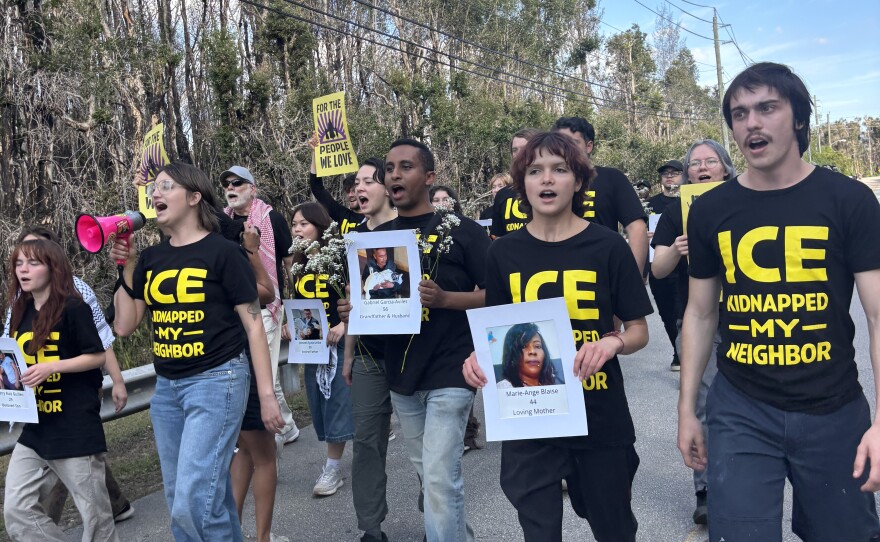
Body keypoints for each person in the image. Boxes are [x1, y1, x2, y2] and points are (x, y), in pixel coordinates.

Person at [677, 62, 880, 541]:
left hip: (834, 408)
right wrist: (688, 408)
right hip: (741, 406)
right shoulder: (710, 209)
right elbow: (701, 312)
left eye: (767, 107)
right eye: (739, 113)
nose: (752, 122)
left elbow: (877, 314)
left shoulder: (849, 200)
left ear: (799, 119)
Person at [463, 131, 652, 542]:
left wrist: (612, 342)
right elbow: (496, 331)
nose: (546, 180)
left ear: (578, 180)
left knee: (614, 528)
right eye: (535, 171)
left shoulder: (608, 247)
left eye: (559, 169)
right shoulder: (502, 253)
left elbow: (639, 331)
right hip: (529, 421)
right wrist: (477, 357)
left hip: (599, 415)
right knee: (540, 532)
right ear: (522, 183)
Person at [110, 162, 283, 541]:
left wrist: (267, 397)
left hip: (217, 381)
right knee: (195, 499)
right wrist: (125, 266)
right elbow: (125, 324)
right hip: (168, 390)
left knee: (192, 502)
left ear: (193, 197)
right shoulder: (153, 259)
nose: (155, 195)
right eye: (154, 189)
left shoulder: (224, 253)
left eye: (166, 187)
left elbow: (254, 323)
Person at [341, 138, 490, 542]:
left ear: (429, 177)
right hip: (402, 376)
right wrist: (354, 313)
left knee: (440, 478)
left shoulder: (461, 231)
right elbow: (376, 309)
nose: (393, 175)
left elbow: (498, 294)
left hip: (451, 370)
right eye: (388, 168)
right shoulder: (376, 240)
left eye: (404, 167)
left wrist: (446, 299)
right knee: (432, 476)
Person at [2, 225, 134, 524]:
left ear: (53, 262)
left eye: (33, 261)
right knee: (17, 511)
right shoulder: (18, 307)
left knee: (96, 519)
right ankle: (118, 504)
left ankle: (115, 505)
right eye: (19, 262)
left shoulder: (75, 301)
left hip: (74, 420)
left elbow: (101, 346)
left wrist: (118, 381)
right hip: (37, 425)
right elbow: (10, 356)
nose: (23, 269)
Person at [652, 140, 736, 524]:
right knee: (702, 404)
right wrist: (676, 247)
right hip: (699, 318)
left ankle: (742, 477)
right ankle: (706, 489)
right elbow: (657, 269)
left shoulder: (746, 198)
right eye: (695, 164)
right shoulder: (675, 211)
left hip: (747, 317)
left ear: (725, 167)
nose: (702, 168)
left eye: (710, 162)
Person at [221, 165, 302, 451]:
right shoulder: (221, 222)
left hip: (266, 306)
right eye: (227, 184)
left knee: (263, 373)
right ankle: (288, 426)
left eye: (238, 183)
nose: (231, 187)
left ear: (252, 189)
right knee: (259, 374)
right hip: (234, 311)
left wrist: (292, 310)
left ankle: (275, 435)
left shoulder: (272, 219)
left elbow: (290, 264)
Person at [341, 157, 398, 542]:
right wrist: (347, 354)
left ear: (387, 187)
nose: (359, 188)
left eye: (367, 181)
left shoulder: (411, 229)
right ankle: (371, 527)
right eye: (356, 183)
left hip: (413, 353)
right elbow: (352, 300)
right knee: (365, 442)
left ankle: (439, 518)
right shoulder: (352, 239)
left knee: (423, 445)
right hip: (366, 355)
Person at [289, 202, 354, 497]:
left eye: (304, 223)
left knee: (337, 403)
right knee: (318, 404)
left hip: (339, 344)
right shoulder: (297, 264)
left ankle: (332, 468)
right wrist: (291, 326)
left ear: (319, 225)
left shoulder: (339, 259)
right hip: (312, 347)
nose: (298, 229)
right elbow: (300, 305)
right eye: (294, 224)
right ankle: (334, 457)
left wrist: (343, 326)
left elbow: (356, 297)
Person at [552, 117, 649, 276]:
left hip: (603, 273)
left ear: (589, 146)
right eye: (560, 143)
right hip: (554, 275)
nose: (565, 149)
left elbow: (637, 228)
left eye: (573, 143)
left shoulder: (612, 178)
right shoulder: (547, 182)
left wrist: (633, 282)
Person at [647, 160, 685, 371]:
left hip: (684, 266)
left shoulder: (691, 198)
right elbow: (634, 230)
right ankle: (677, 350)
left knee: (683, 313)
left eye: (675, 173)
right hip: (658, 263)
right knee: (667, 313)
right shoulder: (650, 204)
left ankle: (685, 355)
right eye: (665, 174)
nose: (669, 177)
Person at [309, 133, 365, 234]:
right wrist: (315, 152)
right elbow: (317, 189)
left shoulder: (375, 218)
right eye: (347, 192)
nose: (350, 195)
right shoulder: (342, 214)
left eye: (353, 191)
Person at [491, 128, 541, 238]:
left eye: (524, 148)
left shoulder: (552, 188)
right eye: (514, 150)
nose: (519, 154)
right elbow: (498, 238)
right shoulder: (503, 195)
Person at [496, 322, 563, 389]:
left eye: (537, 346)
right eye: (524, 346)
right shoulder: (504, 387)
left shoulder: (554, 385)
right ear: (512, 354)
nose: (533, 351)